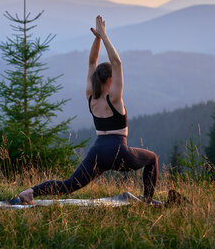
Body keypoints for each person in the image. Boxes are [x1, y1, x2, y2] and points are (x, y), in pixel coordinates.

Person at [19, 15, 158, 204]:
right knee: (152, 159)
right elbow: (117, 63)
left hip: (97, 151)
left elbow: (92, 62)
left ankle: (30, 192)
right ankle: (148, 201)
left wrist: (97, 38)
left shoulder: (90, 96)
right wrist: (104, 35)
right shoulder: (115, 99)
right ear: (111, 80)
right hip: (119, 152)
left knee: (69, 185)